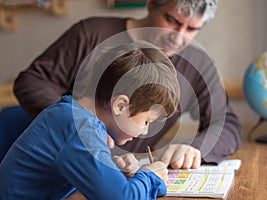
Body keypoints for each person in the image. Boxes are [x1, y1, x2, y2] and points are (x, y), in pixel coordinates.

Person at [13, 0, 243, 168]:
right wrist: (78, 126)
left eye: (191, 29)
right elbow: (32, 81)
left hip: (124, 171)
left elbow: (226, 123)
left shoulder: (197, 64)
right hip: (68, 165)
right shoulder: (91, 33)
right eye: (171, 20)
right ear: (151, 5)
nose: (178, 36)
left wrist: (196, 149)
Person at [0, 41, 180, 199]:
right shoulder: (79, 129)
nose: (145, 131)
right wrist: (150, 177)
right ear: (120, 106)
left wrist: (115, 174)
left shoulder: (70, 114)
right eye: (147, 121)